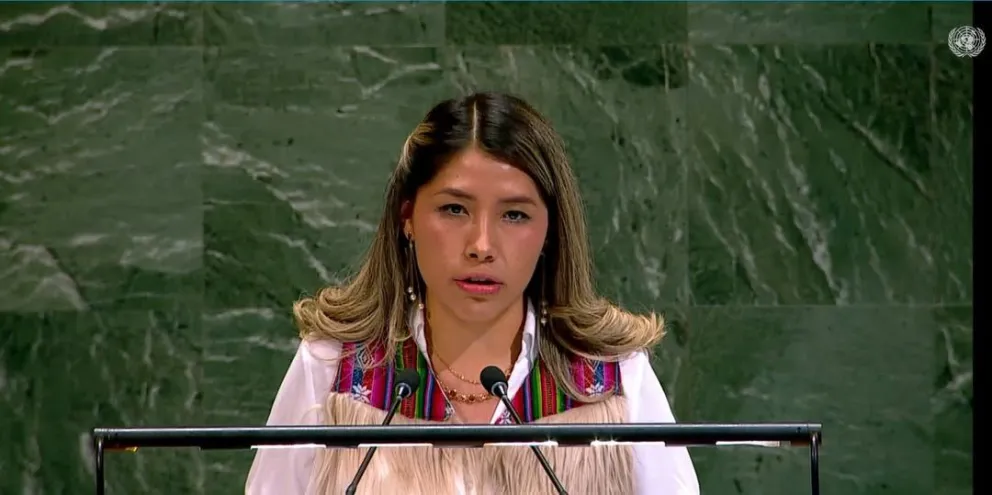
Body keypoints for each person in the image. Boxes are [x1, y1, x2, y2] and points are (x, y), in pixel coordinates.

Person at [245, 92, 699, 494]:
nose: (481, 245)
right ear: (408, 218)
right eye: (454, 209)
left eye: (514, 215)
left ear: (550, 231)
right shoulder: (333, 368)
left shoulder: (613, 378)